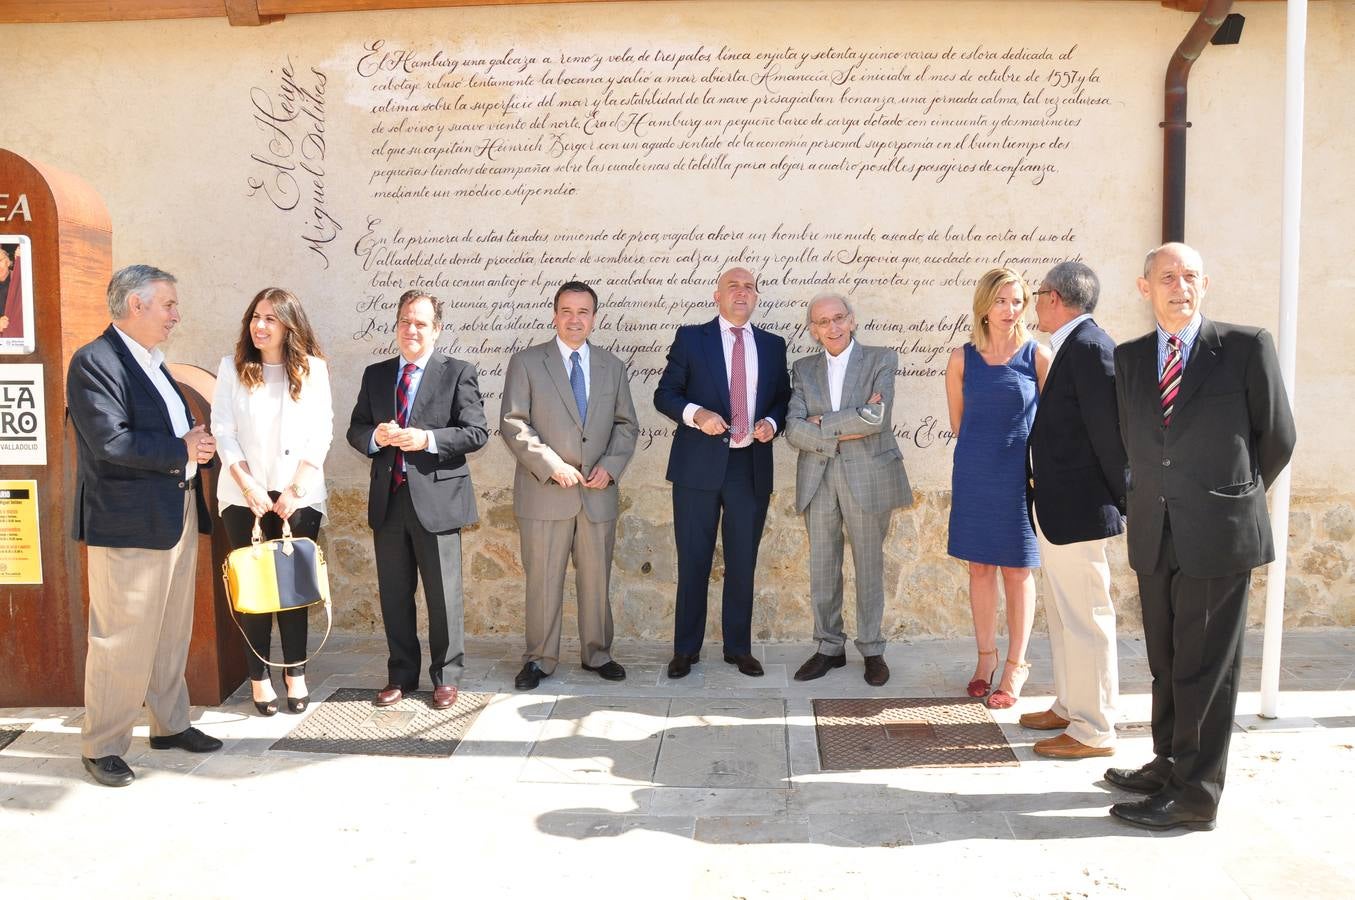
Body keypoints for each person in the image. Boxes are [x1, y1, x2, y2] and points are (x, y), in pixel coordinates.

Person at [1108, 243, 1295, 831]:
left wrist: (1228, 498)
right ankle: (1169, 764)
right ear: (1145, 288)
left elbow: (1277, 436)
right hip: (1155, 532)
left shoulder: (1245, 347)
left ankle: (1195, 795)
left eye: (1190, 275)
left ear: (1205, 285)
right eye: (1167, 276)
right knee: (1166, 659)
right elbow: (1132, 438)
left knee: (1205, 666)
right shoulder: (1130, 358)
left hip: (1218, 534)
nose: (1179, 286)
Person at [66, 264, 222, 787]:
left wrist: (195, 443)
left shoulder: (152, 361)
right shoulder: (94, 362)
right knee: (121, 639)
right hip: (129, 523)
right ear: (136, 305)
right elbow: (111, 442)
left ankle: (169, 725)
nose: (176, 315)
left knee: (171, 631)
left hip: (174, 511)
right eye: (169, 304)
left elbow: (164, 433)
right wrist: (182, 448)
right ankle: (103, 745)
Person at [347, 290, 489, 710]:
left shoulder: (458, 372)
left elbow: (476, 432)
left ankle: (447, 677)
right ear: (396, 325)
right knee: (394, 594)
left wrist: (427, 439)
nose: (411, 329)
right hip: (389, 500)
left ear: (436, 330)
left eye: (421, 323)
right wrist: (376, 437)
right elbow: (356, 428)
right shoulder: (376, 374)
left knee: (444, 596)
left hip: (438, 500)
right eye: (405, 321)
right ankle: (401, 675)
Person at [500, 281, 639, 691]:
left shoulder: (613, 366)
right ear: (554, 315)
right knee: (543, 581)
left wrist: (610, 467)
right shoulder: (527, 362)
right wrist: (552, 465)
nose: (575, 319)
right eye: (567, 311)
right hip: (545, 492)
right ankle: (539, 660)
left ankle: (598, 654)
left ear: (594, 318)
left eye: (583, 312)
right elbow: (513, 423)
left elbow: (626, 425)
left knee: (596, 581)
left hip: (597, 493)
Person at [654, 267, 791, 678]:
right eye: (733, 286)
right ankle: (685, 650)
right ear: (717, 296)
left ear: (756, 297)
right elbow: (665, 394)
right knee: (693, 559)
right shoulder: (691, 338)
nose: (741, 292)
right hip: (697, 466)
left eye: (749, 287)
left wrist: (772, 422)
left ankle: (738, 649)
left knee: (742, 561)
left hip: (749, 466)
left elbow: (783, 398)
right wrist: (698, 415)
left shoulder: (773, 345)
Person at [1022, 261, 1128, 757]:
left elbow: (1110, 434)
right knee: (1065, 616)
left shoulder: (1089, 347)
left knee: (1087, 617)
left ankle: (1094, 729)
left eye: (1038, 293)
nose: (1034, 303)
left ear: (1055, 298)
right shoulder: (1071, 345)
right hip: (1057, 506)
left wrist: (1123, 501)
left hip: (1080, 509)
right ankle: (1070, 705)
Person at [212, 288, 333, 716]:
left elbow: (322, 432)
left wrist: (296, 489)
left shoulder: (313, 370)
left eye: (270, 319)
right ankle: (259, 677)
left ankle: (295, 674)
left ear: (289, 326)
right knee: (255, 589)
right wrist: (249, 487)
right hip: (243, 496)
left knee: (294, 588)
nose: (259, 326)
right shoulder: (232, 368)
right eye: (255, 317)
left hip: (299, 495)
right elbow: (223, 431)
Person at [785, 293, 912, 686]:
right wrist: (846, 424)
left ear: (852, 320)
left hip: (868, 476)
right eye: (823, 322)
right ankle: (829, 647)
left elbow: (876, 419)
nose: (833, 327)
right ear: (813, 330)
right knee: (823, 566)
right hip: (818, 477)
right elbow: (793, 429)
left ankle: (872, 649)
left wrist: (822, 423)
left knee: (869, 565)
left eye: (839, 318)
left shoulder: (881, 359)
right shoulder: (802, 369)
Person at [945, 267, 1051, 709]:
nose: (1010, 310)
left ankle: (1015, 665)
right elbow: (959, 424)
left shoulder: (1037, 355)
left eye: (1018, 301)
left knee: (1018, 570)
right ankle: (985, 659)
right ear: (984, 306)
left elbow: (1051, 423)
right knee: (979, 568)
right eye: (1001, 301)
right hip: (974, 473)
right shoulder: (961, 359)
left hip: (1017, 477)